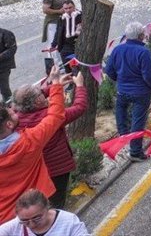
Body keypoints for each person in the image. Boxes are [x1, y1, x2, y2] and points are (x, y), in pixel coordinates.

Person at [0, 66, 69, 223]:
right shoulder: (31, 141)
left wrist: (48, 87)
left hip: (5, 220)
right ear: (9, 124)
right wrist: (56, 83)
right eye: (11, 112)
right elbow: (56, 115)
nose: (14, 110)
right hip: (35, 214)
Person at [13, 72, 87, 209]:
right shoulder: (51, 117)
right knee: (56, 203)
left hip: (34, 169)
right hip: (57, 168)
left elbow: (26, 99)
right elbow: (79, 107)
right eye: (41, 94)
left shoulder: (15, 119)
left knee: (38, 201)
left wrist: (56, 86)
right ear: (37, 101)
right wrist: (80, 86)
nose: (43, 94)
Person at [104, 22, 151, 162]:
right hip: (141, 92)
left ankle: (123, 139)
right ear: (140, 36)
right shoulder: (143, 52)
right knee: (138, 121)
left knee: (121, 115)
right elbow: (148, 75)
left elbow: (109, 70)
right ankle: (135, 151)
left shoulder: (117, 49)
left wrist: (119, 80)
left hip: (122, 90)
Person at [0, 189, 88, 235]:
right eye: (25, 221)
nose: (32, 224)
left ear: (47, 208)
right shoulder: (16, 225)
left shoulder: (69, 221)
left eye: (37, 218)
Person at [41, 0, 65, 74]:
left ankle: (59, 65)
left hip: (59, 22)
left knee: (59, 43)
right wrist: (58, 12)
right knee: (53, 45)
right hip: (52, 23)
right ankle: (55, 67)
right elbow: (45, 10)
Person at [0, 28, 15, 104]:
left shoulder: (6, 34)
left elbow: (12, 49)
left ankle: (9, 105)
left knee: (4, 89)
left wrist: (1, 56)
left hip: (3, 68)